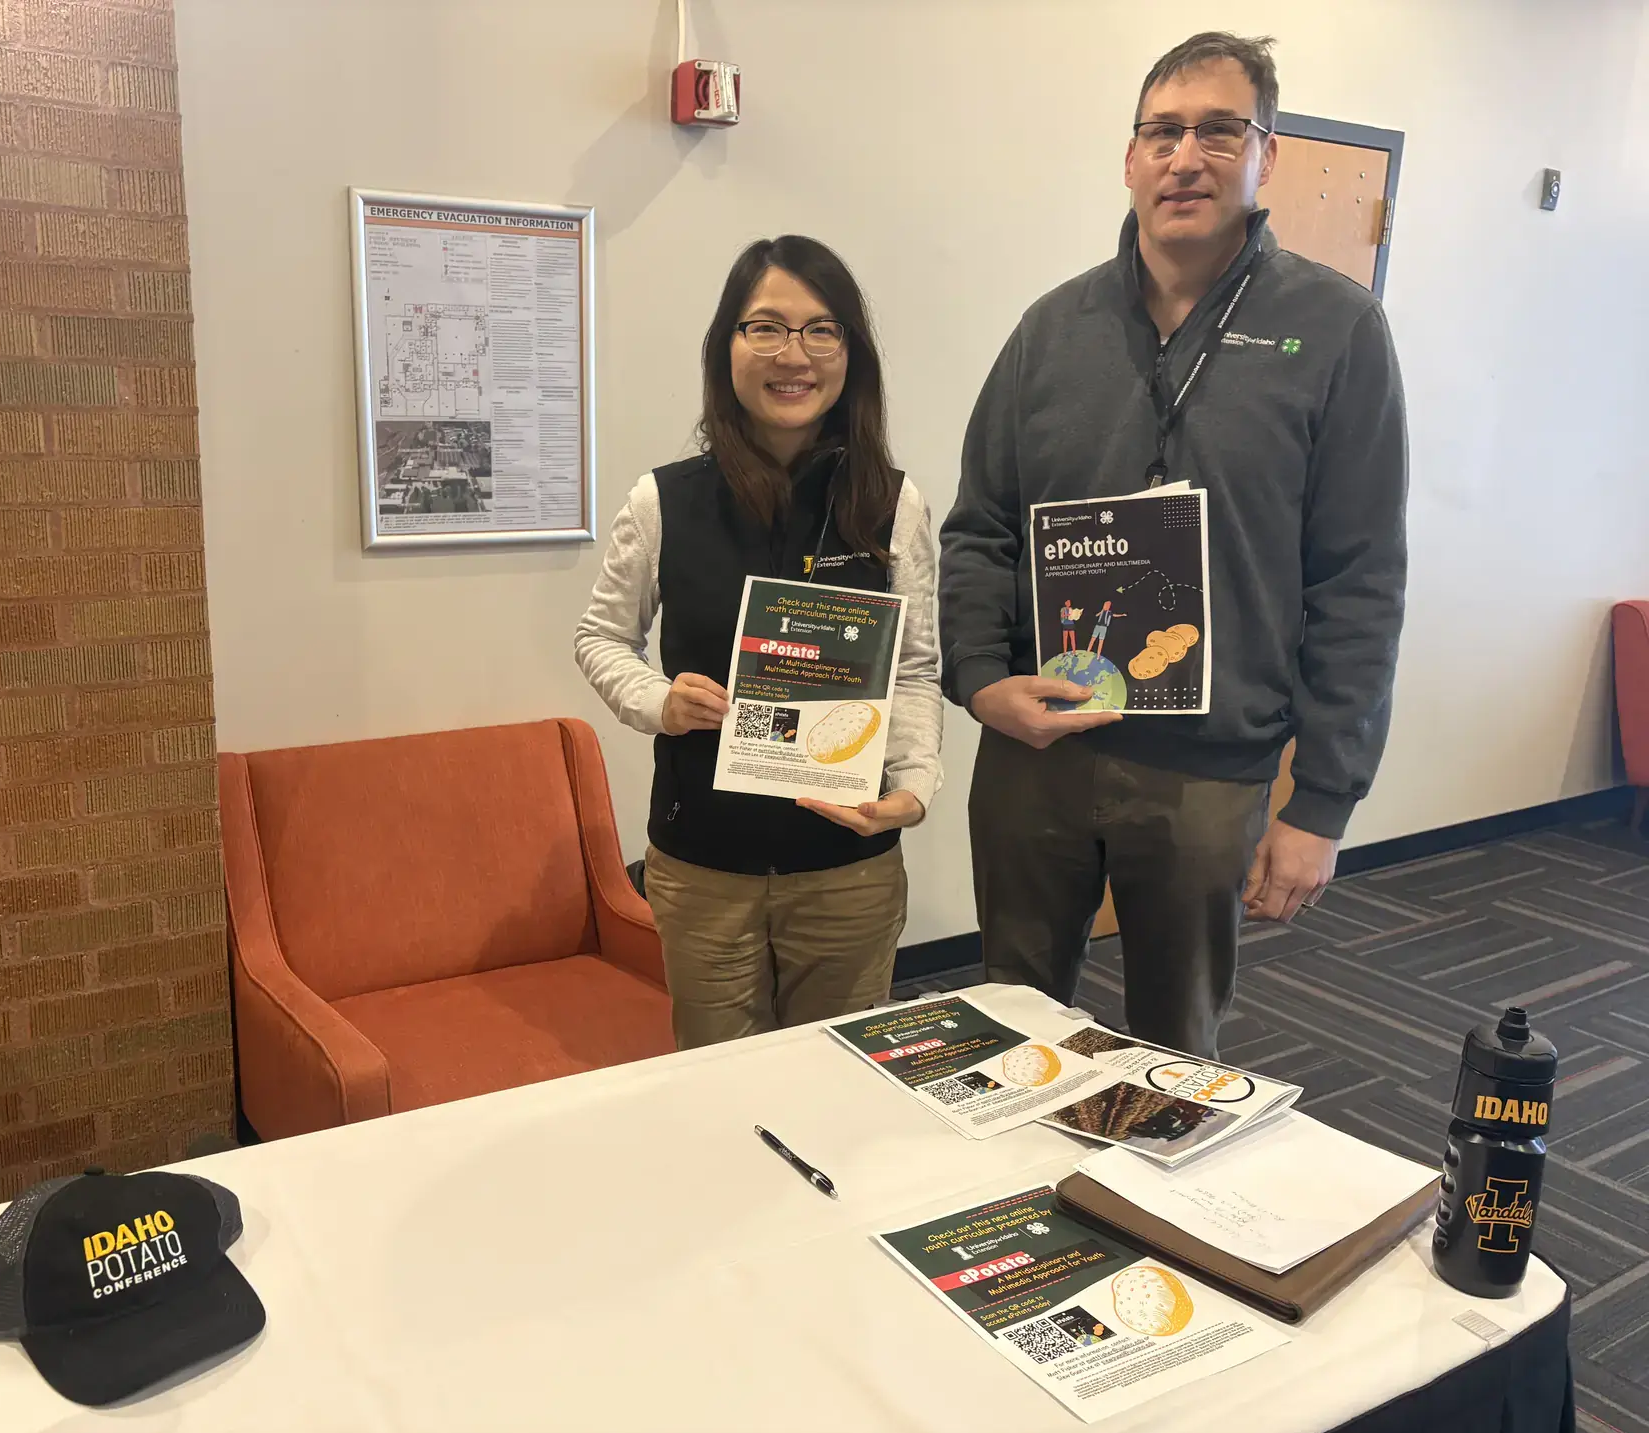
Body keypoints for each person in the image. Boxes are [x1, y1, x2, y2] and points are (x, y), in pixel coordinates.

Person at [939, 32, 1408, 1057]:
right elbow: (977, 530)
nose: (1185, 156)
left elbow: (1360, 581)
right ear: (1130, 157)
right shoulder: (1049, 330)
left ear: (1265, 155)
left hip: (1208, 771)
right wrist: (980, 682)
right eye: (1162, 131)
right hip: (1038, 748)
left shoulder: (1337, 332)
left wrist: (1321, 801)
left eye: (1217, 130)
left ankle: (1155, 1215)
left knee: (1173, 1054)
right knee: (1008, 1029)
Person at [576, 235, 943, 1049]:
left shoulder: (893, 502)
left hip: (848, 865)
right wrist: (657, 702)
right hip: (705, 866)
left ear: (851, 351)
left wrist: (915, 783)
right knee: (720, 1092)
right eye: (766, 328)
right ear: (727, 347)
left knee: (842, 1081)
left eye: (822, 330)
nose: (794, 355)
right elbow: (602, 637)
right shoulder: (664, 500)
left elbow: (914, 667)